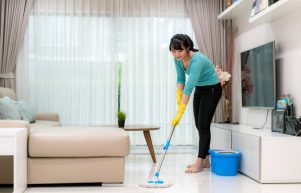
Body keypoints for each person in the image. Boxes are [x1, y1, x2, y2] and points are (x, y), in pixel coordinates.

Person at [169, 34, 222, 173]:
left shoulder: (197, 60)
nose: (176, 54)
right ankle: (205, 160)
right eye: (173, 51)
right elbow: (181, 79)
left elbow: (189, 85)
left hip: (212, 89)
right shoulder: (177, 59)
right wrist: (178, 96)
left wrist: (181, 111)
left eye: (180, 50)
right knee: (199, 125)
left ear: (187, 48)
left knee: (203, 126)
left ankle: (199, 162)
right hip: (200, 89)